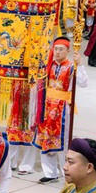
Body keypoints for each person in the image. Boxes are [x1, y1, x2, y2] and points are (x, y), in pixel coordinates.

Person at [36, 38, 76, 183]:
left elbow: (83, 83)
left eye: (61, 49)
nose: (57, 52)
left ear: (67, 51)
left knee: (62, 140)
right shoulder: (49, 65)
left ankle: (67, 172)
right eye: (56, 49)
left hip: (62, 107)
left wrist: (80, 66)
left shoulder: (71, 67)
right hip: (47, 106)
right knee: (45, 137)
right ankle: (50, 172)